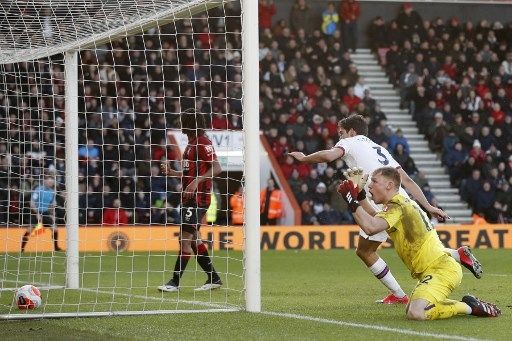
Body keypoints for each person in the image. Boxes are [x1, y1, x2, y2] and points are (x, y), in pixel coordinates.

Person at [289, 114, 483, 304]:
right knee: (417, 245)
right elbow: (406, 180)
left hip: (381, 201)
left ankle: (399, 294)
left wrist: (304, 158)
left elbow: (329, 155)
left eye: (341, 133)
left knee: (365, 251)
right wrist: (428, 206)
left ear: (352, 131)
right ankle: (458, 254)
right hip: (403, 201)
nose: (339, 138)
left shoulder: (350, 142)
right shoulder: (378, 148)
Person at [337, 166, 500, 319]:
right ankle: (469, 300)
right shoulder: (398, 204)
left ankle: (470, 308)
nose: (370, 186)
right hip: (434, 268)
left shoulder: (397, 206)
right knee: (411, 309)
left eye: (374, 181)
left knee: (416, 312)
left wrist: (351, 200)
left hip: (441, 269)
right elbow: (374, 217)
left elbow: (371, 227)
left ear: (389, 185)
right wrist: (358, 196)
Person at [158, 109, 223, 292]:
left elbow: (217, 168)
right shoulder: (191, 143)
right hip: (189, 199)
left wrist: (196, 182)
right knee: (194, 240)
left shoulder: (202, 142)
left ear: (189, 123)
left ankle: (174, 282)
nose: (180, 124)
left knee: (184, 240)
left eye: (182, 121)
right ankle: (213, 278)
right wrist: (174, 173)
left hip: (197, 200)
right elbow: (191, 173)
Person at [21, 175, 62, 253]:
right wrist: (37, 213)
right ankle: (22, 249)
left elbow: (52, 205)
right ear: (45, 181)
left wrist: (53, 215)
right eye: (49, 181)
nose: (51, 183)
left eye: (52, 182)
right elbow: (32, 202)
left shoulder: (52, 192)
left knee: (55, 229)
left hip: (45, 213)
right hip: (36, 211)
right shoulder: (38, 189)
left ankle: (56, 248)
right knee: (29, 230)